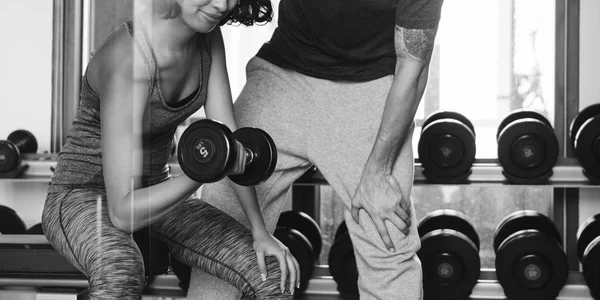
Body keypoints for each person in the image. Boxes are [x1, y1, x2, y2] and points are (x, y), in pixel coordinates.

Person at [41, 0, 300, 299]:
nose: (222, 5)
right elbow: (122, 213)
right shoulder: (129, 57)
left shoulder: (207, 36)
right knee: (119, 268)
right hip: (82, 194)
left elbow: (228, 138)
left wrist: (259, 230)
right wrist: (207, 170)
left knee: (270, 269)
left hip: (157, 189)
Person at [187, 0, 445, 299]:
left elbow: (413, 68)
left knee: (387, 238)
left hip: (370, 90)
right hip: (282, 76)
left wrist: (379, 171)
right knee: (222, 225)